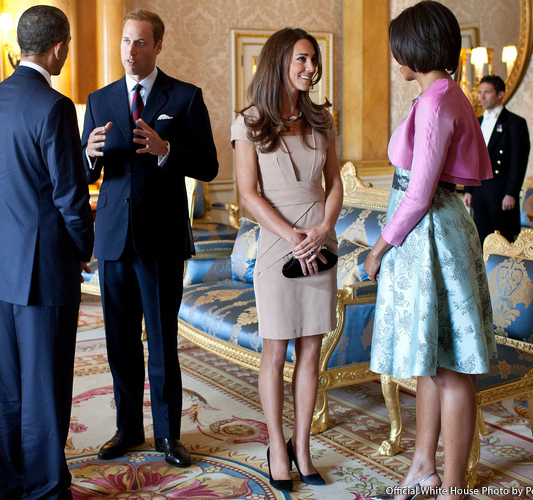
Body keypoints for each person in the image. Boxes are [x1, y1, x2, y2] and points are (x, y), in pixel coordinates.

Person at [363, 3, 497, 500]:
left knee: (451, 366)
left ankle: (454, 486)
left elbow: (418, 194)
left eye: (399, 43)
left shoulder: (438, 102)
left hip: (431, 236)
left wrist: (378, 249)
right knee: (432, 357)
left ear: (416, 47)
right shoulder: (442, 95)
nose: (394, 52)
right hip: (432, 233)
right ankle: (422, 467)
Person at [82, 9, 218, 468]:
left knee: (160, 343)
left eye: (140, 42)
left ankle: (167, 437)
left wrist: (167, 152)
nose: (130, 51)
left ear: (158, 46)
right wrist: (89, 155)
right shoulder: (99, 100)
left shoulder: (184, 97)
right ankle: (127, 429)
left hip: (161, 242)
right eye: (125, 41)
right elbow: (87, 171)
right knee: (119, 341)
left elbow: (209, 166)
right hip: (114, 242)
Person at [232, 28, 342, 493]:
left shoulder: (322, 119)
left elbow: (336, 183)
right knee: (276, 349)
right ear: (280, 61)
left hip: (319, 240)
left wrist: (320, 228)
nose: (310, 68)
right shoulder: (249, 121)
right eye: (301, 59)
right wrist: (291, 233)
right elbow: (247, 193)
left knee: (312, 349)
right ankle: (277, 445)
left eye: (313, 60)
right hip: (279, 242)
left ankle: (303, 447)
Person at [0, 6, 94, 499]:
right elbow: (70, 198)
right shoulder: (54, 107)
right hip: (44, 271)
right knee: (45, 388)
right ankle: (46, 490)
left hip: (2, 267)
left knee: (8, 388)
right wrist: (83, 249)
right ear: (58, 46)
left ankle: (10, 482)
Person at [463, 74, 530, 244]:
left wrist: (511, 193)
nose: (482, 97)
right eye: (480, 92)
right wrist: (468, 189)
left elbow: (518, 162)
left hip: (501, 192)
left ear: (500, 94)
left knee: (504, 242)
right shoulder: (477, 122)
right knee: (481, 241)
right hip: (480, 191)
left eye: (487, 92)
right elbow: (473, 158)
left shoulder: (515, 123)